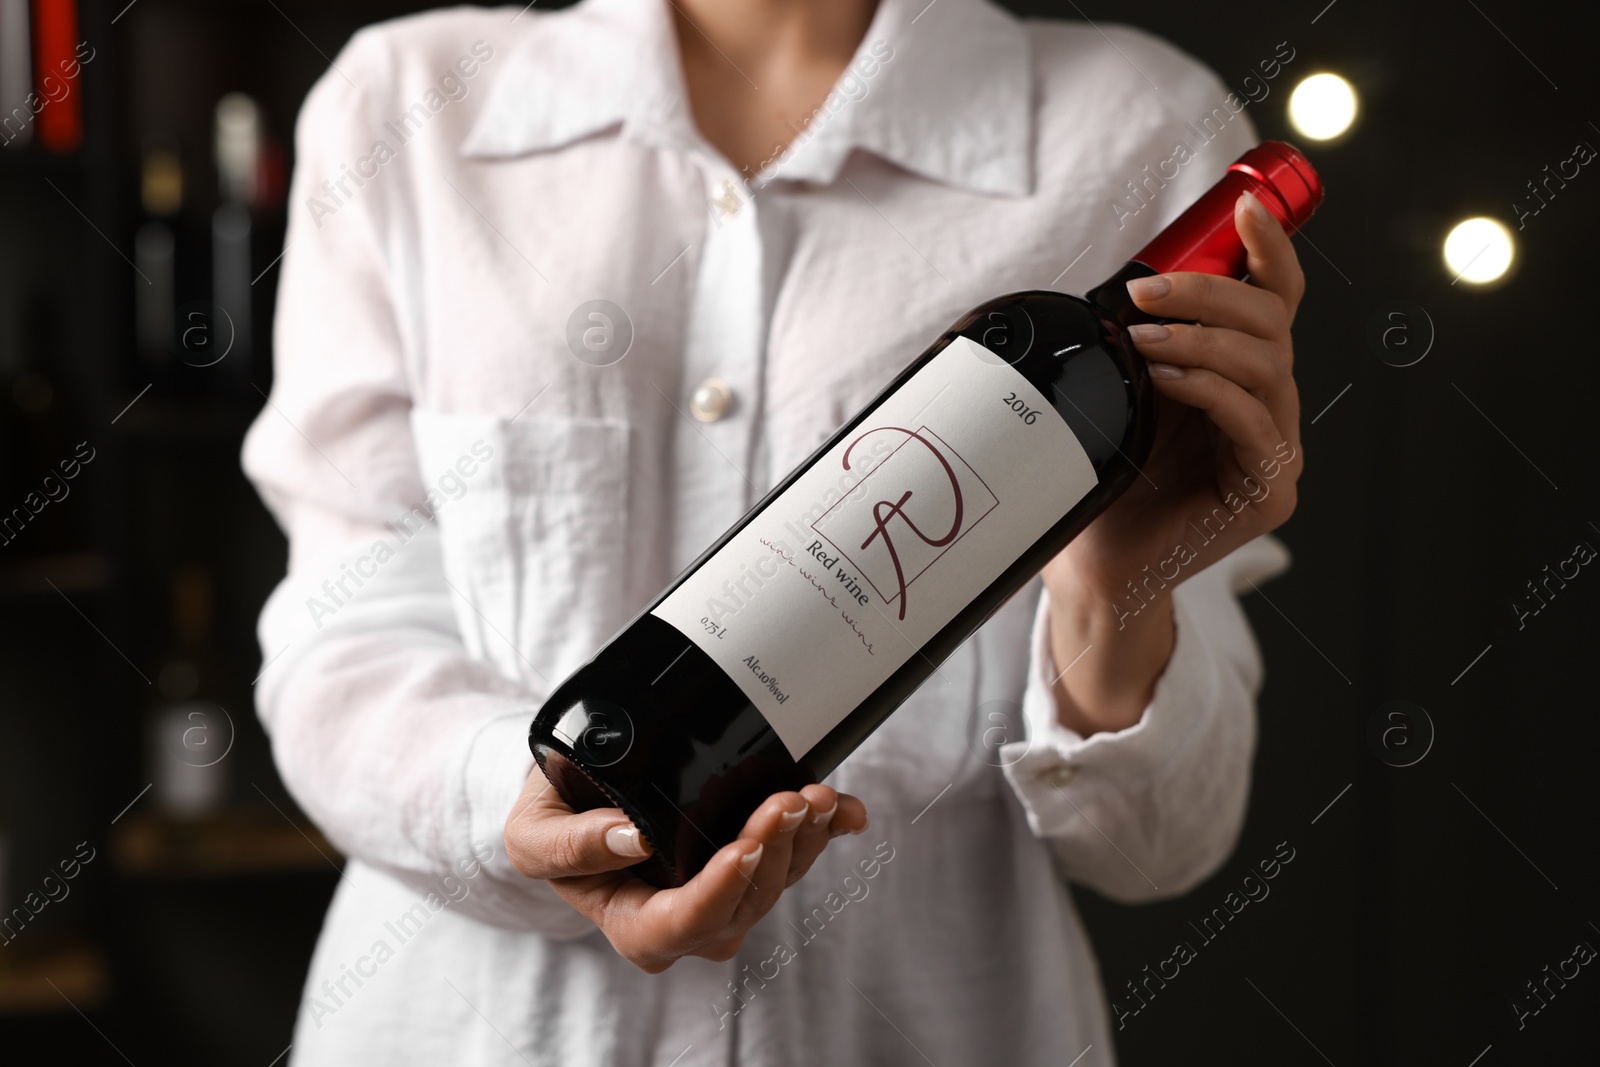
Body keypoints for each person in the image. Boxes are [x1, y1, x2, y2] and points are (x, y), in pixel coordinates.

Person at [243, 0, 1305, 1063]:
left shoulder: (1137, 126)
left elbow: (1162, 843)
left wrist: (1115, 588)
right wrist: (518, 812)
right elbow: (345, 640)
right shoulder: (410, 101)